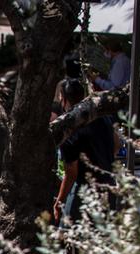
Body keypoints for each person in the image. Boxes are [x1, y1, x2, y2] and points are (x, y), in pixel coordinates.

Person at [55, 78, 115, 224]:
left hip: (85, 191)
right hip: (108, 185)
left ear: (63, 98)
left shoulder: (68, 128)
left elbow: (71, 173)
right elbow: (118, 143)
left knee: (69, 233)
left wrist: (59, 201)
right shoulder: (101, 116)